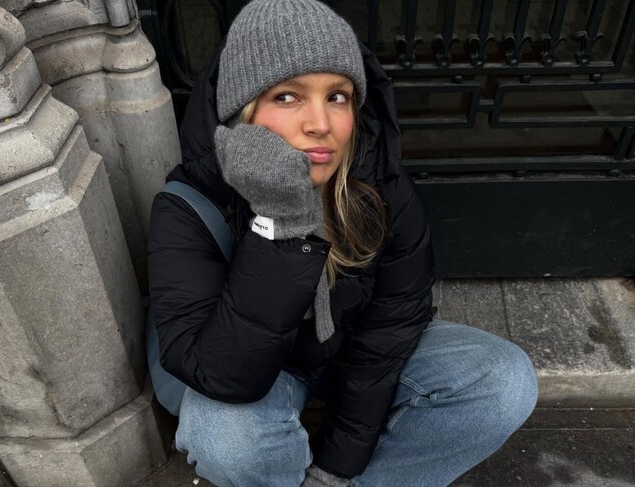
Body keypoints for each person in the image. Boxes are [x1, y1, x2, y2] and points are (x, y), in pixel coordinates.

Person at [147, 0, 539, 485]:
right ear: (240, 112)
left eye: (337, 96)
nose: (321, 123)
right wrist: (283, 222)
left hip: (352, 352)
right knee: (226, 439)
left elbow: (389, 328)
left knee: (503, 381)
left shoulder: (381, 187)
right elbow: (224, 375)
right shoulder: (190, 206)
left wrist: (334, 471)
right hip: (262, 374)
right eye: (287, 97)